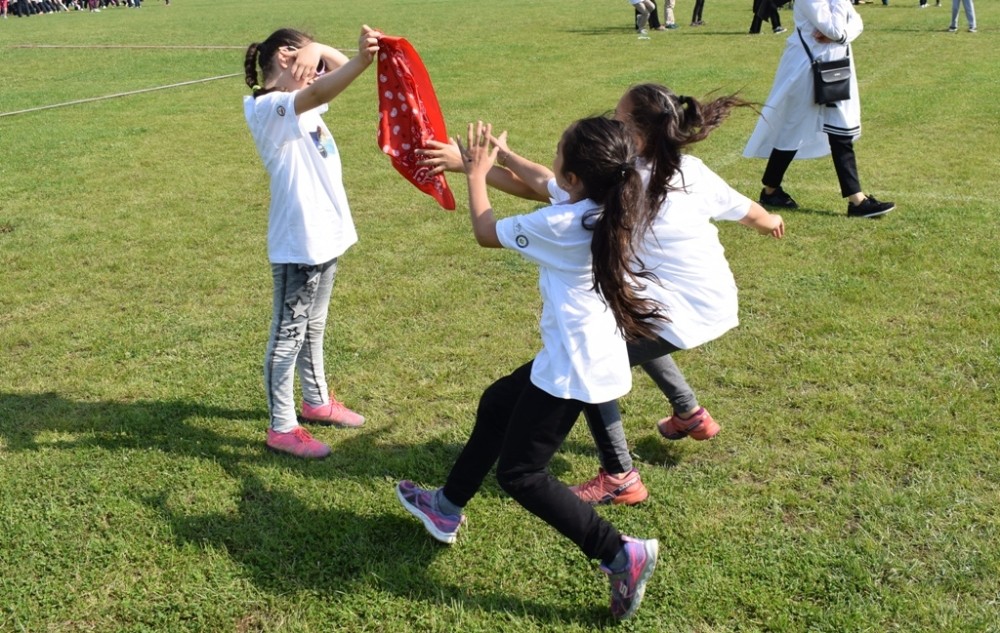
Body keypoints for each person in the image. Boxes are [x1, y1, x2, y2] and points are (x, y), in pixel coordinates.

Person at [398, 117, 660, 620]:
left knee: (521, 474)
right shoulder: (607, 200)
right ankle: (446, 507)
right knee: (498, 403)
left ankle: (619, 554)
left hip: (573, 364)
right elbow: (544, 179)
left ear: (579, 178)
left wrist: (475, 174)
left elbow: (484, 231)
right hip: (582, 349)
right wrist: (503, 156)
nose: (553, 158)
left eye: (560, 152)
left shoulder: (564, 225)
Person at [571, 84, 785, 505]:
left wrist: (487, 168)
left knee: (588, 361)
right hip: (715, 303)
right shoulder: (694, 171)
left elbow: (554, 184)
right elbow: (751, 213)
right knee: (631, 330)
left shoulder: (624, 179)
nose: (611, 125)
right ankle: (689, 414)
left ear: (640, 133)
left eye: (618, 119)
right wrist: (772, 220)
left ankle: (619, 476)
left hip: (682, 313)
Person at [243, 26, 380, 459]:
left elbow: (342, 74)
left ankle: (316, 401)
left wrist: (319, 50)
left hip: (326, 236)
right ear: (284, 58)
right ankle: (281, 427)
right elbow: (326, 89)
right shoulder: (269, 107)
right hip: (300, 243)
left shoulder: (300, 102)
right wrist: (324, 55)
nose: (318, 70)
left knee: (313, 326)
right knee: (288, 334)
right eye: (307, 62)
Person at [744, 0, 896, 218]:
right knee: (793, 130)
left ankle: (857, 200)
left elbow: (856, 23)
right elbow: (832, 27)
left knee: (840, 131)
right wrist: (838, 32)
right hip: (806, 71)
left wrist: (841, 35)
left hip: (834, 69)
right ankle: (770, 190)